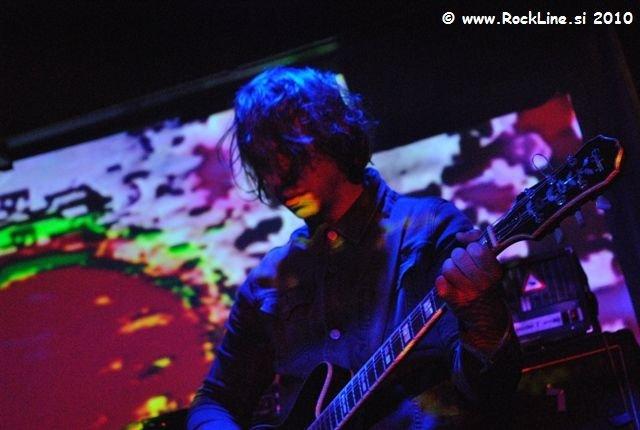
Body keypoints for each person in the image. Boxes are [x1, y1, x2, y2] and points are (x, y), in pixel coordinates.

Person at [188, 66, 521, 429]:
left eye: (291, 154)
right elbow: (215, 400)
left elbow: (493, 389)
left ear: (336, 135)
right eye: (265, 163)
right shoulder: (267, 281)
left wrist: (483, 315)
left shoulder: (430, 229)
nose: (278, 179)